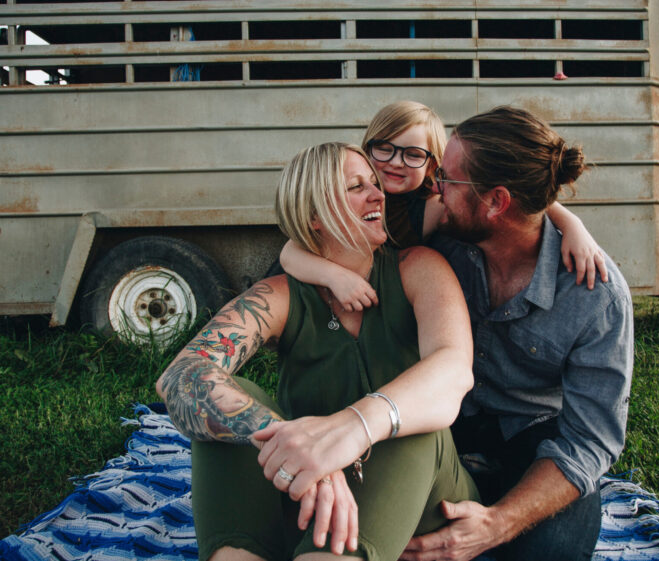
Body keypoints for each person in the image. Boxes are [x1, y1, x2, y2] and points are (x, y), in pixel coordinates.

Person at [156, 141, 480, 561]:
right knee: (229, 401)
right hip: (313, 498)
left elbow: (454, 369)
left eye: (375, 184)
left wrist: (349, 431)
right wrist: (295, 446)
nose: (379, 194)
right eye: (356, 186)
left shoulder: (417, 269)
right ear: (314, 215)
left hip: (423, 503)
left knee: (413, 422)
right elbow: (180, 376)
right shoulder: (281, 295)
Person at [402, 106, 634, 561]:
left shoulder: (596, 297)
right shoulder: (442, 239)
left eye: (447, 179)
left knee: (551, 552)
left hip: (534, 440)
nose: (435, 188)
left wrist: (496, 525)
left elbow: (590, 441)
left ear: (496, 203)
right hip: (444, 426)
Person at [280, 101, 607, 314]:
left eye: (412, 154)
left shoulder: (434, 205)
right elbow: (290, 252)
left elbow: (516, 196)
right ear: (368, 146)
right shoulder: (347, 195)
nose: (395, 162)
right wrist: (334, 276)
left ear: (434, 163)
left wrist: (571, 224)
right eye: (384, 148)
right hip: (336, 299)